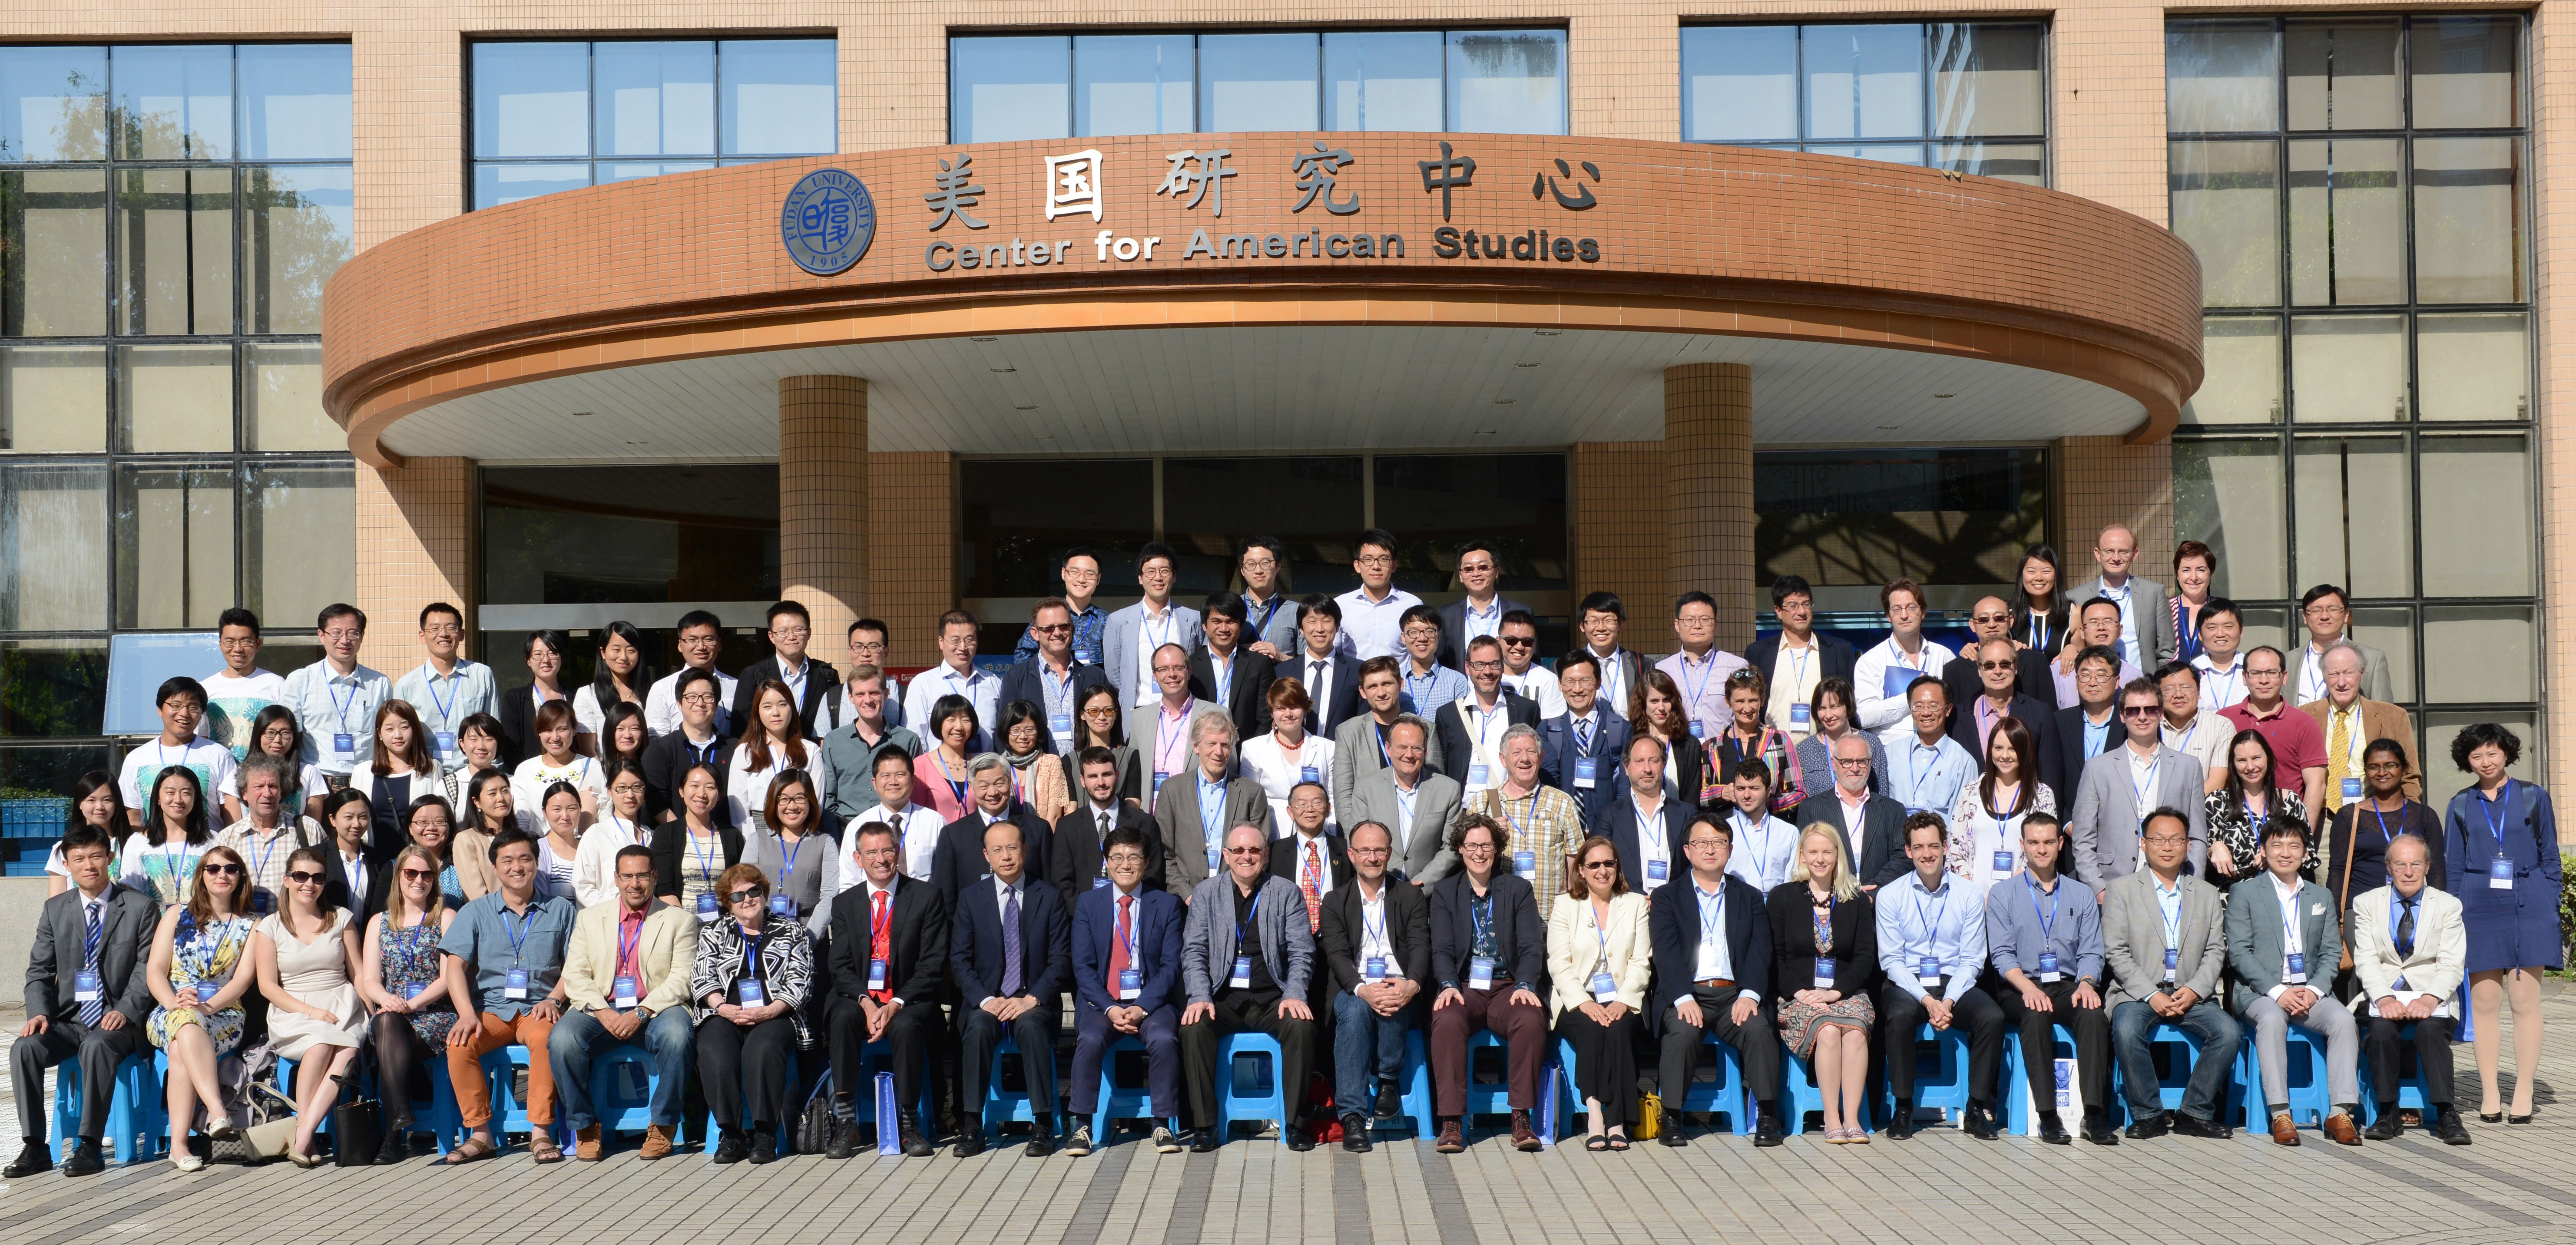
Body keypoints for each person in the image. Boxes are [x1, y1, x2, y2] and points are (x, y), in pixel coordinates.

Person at [6, 824, 157, 1179]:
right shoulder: (55, 909)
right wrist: (39, 1012)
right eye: (79, 859)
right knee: (24, 1048)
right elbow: (39, 970)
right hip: (70, 1020)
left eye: (96, 856)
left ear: (110, 858)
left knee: (97, 1045)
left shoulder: (140, 907)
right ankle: (35, 1146)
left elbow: (147, 969)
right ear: (67, 865)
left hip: (120, 1021)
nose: (89, 865)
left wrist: (125, 1010)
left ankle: (89, 1145)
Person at [2441, 723, 2560, 1123]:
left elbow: (2550, 854)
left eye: (2492, 752)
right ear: (2467, 761)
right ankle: (2490, 1092)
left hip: (2529, 902)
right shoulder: (2460, 803)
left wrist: (2549, 898)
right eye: (2476, 756)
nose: (2486, 761)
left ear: (2507, 753)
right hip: (2479, 906)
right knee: (2485, 1003)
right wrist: (2455, 914)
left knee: (2525, 1002)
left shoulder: (2533, 796)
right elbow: (2453, 866)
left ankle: (2524, 1089)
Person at [550, 841, 698, 1160]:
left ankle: (663, 1124)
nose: (635, 883)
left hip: (656, 1008)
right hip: (601, 1008)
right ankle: (585, 1126)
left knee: (678, 1035)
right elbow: (575, 974)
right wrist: (603, 1011)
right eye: (628, 876)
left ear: (655, 877)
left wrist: (642, 1012)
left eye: (643, 875)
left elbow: (682, 979)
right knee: (562, 1040)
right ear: (616, 879)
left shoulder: (679, 920)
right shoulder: (590, 918)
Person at [439, 829, 578, 1163]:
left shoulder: (561, 909)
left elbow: (576, 965)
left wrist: (554, 999)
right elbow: (454, 967)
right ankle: (481, 1134)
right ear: (495, 867)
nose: (517, 867)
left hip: (539, 1009)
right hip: (491, 1009)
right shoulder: (475, 911)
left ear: (537, 863)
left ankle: (541, 1132)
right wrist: (466, 1013)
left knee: (547, 1038)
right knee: (459, 1043)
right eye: (508, 860)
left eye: (525, 859)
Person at [1178, 822, 1319, 1151]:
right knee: (1193, 1027)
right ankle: (1205, 1125)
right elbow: (1194, 950)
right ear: (1226, 855)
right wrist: (1200, 996)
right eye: (1239, 850)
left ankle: (1296, 1123)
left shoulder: (1286, 892)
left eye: (1254, 850)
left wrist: (1295, 993)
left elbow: (1302, 951)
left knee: (1301, 1026)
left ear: (1265, 855)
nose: (1247, 856)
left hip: (1273, 999)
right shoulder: (1207, 893)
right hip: (1222, 998)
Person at [1648, 812, 1785, 1146]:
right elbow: (1665, 952)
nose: (1710, 849)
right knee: (1681, 1032)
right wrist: (1683, 997)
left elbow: (1761, 949)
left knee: (1758, 1028)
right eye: (1701, 842)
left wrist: (1750, 994)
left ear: (1730, 849)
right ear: (1687, 850)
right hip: (1688, 992)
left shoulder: (1749, 896)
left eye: (1719, 842)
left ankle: (1768, 1115)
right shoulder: (1667, 897)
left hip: (1734, 994)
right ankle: (1671, 1116)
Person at [2103, 808, 2239, 1140]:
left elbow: (2215, 950)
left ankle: (2194, 1111)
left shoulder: (2206, 892)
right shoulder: (2121, 890)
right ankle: (2148, 1113)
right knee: (2126, 1028)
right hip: (2138, 993)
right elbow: (2116, 951)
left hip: (2191, 993)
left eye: (2176, 840)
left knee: (2229, 1032)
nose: (2167, 847)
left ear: (2188, 845)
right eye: (2158, 839)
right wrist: (2151, 994)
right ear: (2143, 843)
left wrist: (2195, 990)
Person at [2226, 817, 2363, 1145]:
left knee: (2344, 1021)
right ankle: (2280, 1112)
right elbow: (2240, 953)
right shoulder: (2245, 892)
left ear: (2305, 852)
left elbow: (2332, 951)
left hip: (2309, 991)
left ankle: (2340, 1112)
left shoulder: (2321, 896)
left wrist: (2315, 990)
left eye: (2294, 846)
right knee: (2273, 1019)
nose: (2285, 853)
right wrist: (2278, 992)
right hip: (2261, 993)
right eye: (2277, 845)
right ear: (2263, 850)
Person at [1983, 811, 2117, 1145]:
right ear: (2023, 845)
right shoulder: (2003, 894)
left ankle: (2094, 1114)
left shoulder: (2081, 894)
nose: (2041, 849)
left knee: (2093, 1013)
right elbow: (2001, 954)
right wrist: (2028, 988)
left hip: (2068, 983)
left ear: (2060, 844)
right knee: (2035, 1014)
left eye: (2047, 842)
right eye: (2033, 842)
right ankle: (2048, 1116)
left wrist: (2087, 982)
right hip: (2020, 985)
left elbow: (2092, 951)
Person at [1874, 812, 2005, 1139]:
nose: (1927, 854)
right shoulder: (1890, 895)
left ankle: (1976, 1108)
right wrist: (1928, 1000)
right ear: (1908, 851)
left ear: (1946, 847)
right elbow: (1892, 961)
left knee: (1992, 1017)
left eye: (1934, 846)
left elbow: (1972, 960)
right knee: (1900, 1016)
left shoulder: (1969, 894)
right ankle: (1903, 1107)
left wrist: (1947, 1001)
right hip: (1908, 982)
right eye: (1919, 847)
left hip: (1954, 981)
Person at [823, 821, 949, 1159]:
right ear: (858, 858)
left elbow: (932, 963)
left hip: (909, 997)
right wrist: (867, 1003)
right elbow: (840, 965)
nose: (881, 859)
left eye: (888, 850)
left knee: (906, 1025)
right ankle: (846, 1122)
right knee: (842, 1017)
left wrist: (894, 1004)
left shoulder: (926, 896)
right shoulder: (845, 903)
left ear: (898, 852)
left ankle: (909, 1123)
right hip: (859, 997)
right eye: (872, 853)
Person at [1426, 812, 1548, 1153]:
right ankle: (1452, 1120)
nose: (1479, 852)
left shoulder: (1518, 889)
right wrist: (1448, 983)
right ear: (1460, 849)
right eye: (1472, 845)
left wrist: (1525, 984)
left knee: (1531, 1019)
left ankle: (1521, 1117)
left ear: (1497, 848)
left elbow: (1531, 945)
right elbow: (1441, 948)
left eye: (1486, 845)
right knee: (1447, 1019)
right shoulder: (1446, 892)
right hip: (1465, 986)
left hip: (1508, 985)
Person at [948, 817, 1069, 1157]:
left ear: (1025, 850)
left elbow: (1061, 959)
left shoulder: (1049, 896)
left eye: (1012, 847)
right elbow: (960, 960)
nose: (1006, 856)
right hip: (988, 999)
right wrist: (985, 999)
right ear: (986, 855)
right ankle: (972, 1124)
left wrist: (1032, 998)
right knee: (977, 1027)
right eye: (998, 849)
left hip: (1034, 999)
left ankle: (1043, 1123)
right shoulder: (971, 898)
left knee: (1031, 1026)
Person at [1063, 825, 1187, 1156]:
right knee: (1090, 1040)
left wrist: (1142, 1006)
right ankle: (1082, 1126)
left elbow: (1171, 966)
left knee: (1164, 1039)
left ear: (1146, 862)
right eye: (1117, 857)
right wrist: (1110, 1007)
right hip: (1102, 1002)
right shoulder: (1089, 903)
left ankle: (1162, 1123)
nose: (1126, 864)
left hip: (1151, 1002)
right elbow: (1083, 967)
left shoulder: (1166, 904)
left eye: (1134, 857)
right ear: (1107, 861)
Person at [2350, 834, 2472, 1144]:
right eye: (2400, 864)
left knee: (2431, 1032)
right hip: (2384, 993)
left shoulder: (2448, 905)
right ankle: (2387, 1111)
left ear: (2428, 866)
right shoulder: (2366, 903)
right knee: (2380, 1031)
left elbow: (2452, 962)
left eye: (2416, 864)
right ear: (2388, 867)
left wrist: (2431, 997)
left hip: (2432, 995)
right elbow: (2366, 958)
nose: (2408, 872)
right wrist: (2384, 997)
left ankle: (2446, 1113)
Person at [248, 845, 364, 1166]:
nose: (309, 884)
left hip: (341, 1003)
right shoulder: (269, 926)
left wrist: (373, 1010)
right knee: (320, 1044)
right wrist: (311, 1012)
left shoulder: (341, 918)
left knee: (349, 1049)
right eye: (301, 876)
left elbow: (359, 973)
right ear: (286, 880)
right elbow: (268, 986)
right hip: (293, 1009)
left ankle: (303, 1134)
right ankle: (306, 1136)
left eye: (318, 877)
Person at [144, 847, 257, 1172]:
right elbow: (155, 970)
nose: (222, 875)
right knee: (184, 1021)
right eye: (213, 869)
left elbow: (243, 980)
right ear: (201, 876)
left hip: (223, 1013)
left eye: (231, 869)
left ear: (240, 877)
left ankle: (179, 1146)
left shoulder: (252, 925)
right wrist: (171, 1002)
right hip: (172, 1007)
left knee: (179, 1049)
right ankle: (216, 1109)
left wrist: (207, 1007)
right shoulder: (176, 914)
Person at [1318, 819, 1427, 1151]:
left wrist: (1412, 984)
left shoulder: (1409, 895)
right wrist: (1362, 988)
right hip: (1354, 987)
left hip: (1401, 983)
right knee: (1354, 1011)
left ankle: (1389, 1080)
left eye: (1379, 850)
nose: (1372, 857)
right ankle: (1352, 1116)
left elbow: (1421, 945)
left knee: (1394, 994)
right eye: (1365, 850)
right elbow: (1336, 954)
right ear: (1351, 854)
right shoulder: (1334, 901)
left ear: (1389, 853)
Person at [692, 860, 810, 1162]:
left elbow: (801, 981)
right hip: (725, 1012)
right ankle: (730, 1134)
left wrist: (769, 1011)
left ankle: (765, 1133)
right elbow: (701, 978)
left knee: (763, 1048)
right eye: (738, 895)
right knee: (714, 1049)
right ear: (727, 903)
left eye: (754, 891)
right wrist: (722, 1007)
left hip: (776, 1012)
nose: (747, 899)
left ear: (764, 893)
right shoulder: (714, 931)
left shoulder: (792, 930)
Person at [1768, 825, 1878, 1143]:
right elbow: (1775, 957)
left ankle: (1852, 1118)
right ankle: (1831, 1117)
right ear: (1802, 855)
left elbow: (1864, 957)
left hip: (1846, 992)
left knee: (1855, 1032)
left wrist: (1836, 992)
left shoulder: (1856, 900)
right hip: (1798, 996)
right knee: (1828, 1030)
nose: (1820, 859)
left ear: (1837, 855)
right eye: (1813, 852)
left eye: (1827, 852)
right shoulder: (1782, 897)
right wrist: (1800, 992)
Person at [1547, 835, 1650, 1149]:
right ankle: (1595, 1114)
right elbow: (1559, 963)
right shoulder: (1565, 905)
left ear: (1617, 867)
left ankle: (1616, 1120)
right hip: (1576, 996)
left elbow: (1641, 961)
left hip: (1623, 996)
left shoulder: (1635, 904)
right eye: (1594, 865)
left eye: (1609, 863)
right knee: (1592, 1027)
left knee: (1618, 1029)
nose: (1602, 871)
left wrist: (1623, 1001)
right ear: (1580, 869)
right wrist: (1583, 1002)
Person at [356, 844, 456, 1163]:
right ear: (399, 876)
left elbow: (448, 978)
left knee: (388, 1034)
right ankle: (399, 1115)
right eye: (411, 873)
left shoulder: (446, 918)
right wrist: (387, 999)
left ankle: (392, 1134)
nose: (419, 880)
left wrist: (412, 1005)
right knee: (387, 1025)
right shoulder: (379, 922)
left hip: (435, 1011)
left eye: (427, 875)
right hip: (393, 1011)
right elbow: (369, 979)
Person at [2069, 679, 2210, 895]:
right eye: (2134, 710)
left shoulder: (2188, 767)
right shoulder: (2097, 768)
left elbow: (2198, 836)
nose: (2142, 717)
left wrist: (2193, 885)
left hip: (2174, 885)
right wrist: (2098, 889)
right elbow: (2083, 838)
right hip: (2114, 886)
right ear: (2122, 716)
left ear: (2161, 714)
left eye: (2150, 710)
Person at [2300, 641, 2421, 835]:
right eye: (2334, 674)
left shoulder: (2393, 716)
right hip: (2322, 822)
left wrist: (2410, 822)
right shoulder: (2304, 717)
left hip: (2377, 817)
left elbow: (2410, 776)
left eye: (2348, 673)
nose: (2341, 682)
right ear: (2324, 677)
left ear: (2362, 674)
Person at [1469, 726, 1586, 919]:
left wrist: (1572, 916)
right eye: (1516, 753)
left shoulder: (1562, 803)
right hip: (1498, 918)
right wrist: (1490, 838)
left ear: (1541, 757)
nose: (1525, 759)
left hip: (1551, 919)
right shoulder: (1483, 803)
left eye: (1531, 752)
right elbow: (1468, 861)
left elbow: (1574, 865)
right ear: (1503, 759)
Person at [1154, 711, 1271, 897]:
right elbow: (1163, 853)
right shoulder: (1172, 790)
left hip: (1236, 897)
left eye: (1225, 745)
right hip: (1184, 900)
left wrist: (1237, 895)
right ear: (1196, 747)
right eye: (1211, 744)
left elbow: (1260, 853)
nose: (1218, 752)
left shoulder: (1252, 793)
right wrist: (1187, 895)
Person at [2328, 740, 2447, 907]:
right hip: (2362, 909)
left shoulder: (2425, 816)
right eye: (2374, 767)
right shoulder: (2350, 815)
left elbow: (2437, 872)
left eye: (2390, 765)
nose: (2382, 772)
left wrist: (2437, 910)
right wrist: (2335, 915)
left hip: (2413, 907)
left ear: (2405, 769)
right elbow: (2337, 870)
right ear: (2366, 772)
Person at [282, 604, 391, 786]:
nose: (345, 640)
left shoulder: (379, 684)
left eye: (353, 633)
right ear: (321, 635)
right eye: (336, 633)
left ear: (362, 636)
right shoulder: (300, 681)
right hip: (316, 784)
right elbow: (291, 738)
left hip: (366, 782)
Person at [1345, 714, 1462, 884]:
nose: (1409, 755)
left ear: (1425, 751)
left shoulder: (1448, 790)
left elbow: (1451, 847)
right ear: (1388, 749)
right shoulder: (1366, 787)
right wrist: (1385, 885)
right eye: (1402, 748)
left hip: (1427, 890)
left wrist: (1419, 885)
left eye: (1416, 748)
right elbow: (1356, 842)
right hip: (1381, 887)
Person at [1745, 575, 1858, 746]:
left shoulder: (1839, 651)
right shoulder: (1758, 653)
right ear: (1778, 611)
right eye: (1793, 606)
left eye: (1806, 604)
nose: (1802, 612)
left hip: (1825, 747)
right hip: (1772, 747)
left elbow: (1849, 705)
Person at [932, 753, 1057, 908]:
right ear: (971, 786)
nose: (993, 793)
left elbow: (1050, 886)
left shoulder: (1038, 829)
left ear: (1009, 781)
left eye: (999, 783)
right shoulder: (953, 835)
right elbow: (946, 896)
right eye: (984, 786)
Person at [1946, 637, 2064, 796]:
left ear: (2015, 668)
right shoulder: (1958, 717)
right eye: (1989, 665)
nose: (1998, 671)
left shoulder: (2040, 714)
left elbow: (2051, 776)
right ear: (1980, 670)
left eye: (2005, 664)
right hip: (1973, 807)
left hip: (2026, 806)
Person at [1331, 656, 1447, 819]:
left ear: (1400, 684)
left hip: (1415, 822)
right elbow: (1344, 796)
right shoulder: (1348, 733)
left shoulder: (1426, 728)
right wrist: (1354, 832)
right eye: (1373, 687)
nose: (1381, 693)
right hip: (1368, 826)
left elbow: (1437, 785)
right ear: (1363, 692)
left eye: (1387, 684)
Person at [1947, 717, 2057, 885]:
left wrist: (2005, 893)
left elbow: (2044, 850)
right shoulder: (1971, 792)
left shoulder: (2042, 795)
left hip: (2022, 893)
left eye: (2013, 749)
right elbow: (1956, 849)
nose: (2005, 756)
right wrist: (1971, 893)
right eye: (1999, 748)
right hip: (1974, 895)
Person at [1051, 746, 1168, 903]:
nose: (1101, 783)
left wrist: (1126, 908)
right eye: (1093, 776)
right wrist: (1086, 912)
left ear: (1117, 775)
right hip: (1083, 914)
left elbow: (1154, 876)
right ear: (1083, 781)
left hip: (1132, 912)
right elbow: (1062, 882)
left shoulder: (1145, 823)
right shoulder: (1067, 827)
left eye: (1106, 775)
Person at [118, 676, 236, 827]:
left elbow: (232, 815)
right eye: (176, 705)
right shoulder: (137, 758)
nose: (184, 713)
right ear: (160, 709)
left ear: (201, 714)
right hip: (153, 841)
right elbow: (132, 817)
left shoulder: (219, 755)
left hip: (209, 841)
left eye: (193, 707)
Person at [1795, 732, 1907, 891]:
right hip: (1832, 899)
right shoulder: (1811, 808)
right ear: (1834, 764)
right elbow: (1807, 858)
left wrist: (1873, 892)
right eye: (1847, 762)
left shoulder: (1893, 810)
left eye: (1862, 761)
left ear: (1870, 763)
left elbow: (1902, 857)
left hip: (1878, 899)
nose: (1855, 769)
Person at [998, 597, 1108, 758]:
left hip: (1085, 768)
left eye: (1064, 626)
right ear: (1035, 633)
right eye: (1049, 628)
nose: (1058, 633)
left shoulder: (1095, 677)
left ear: (1071, 628)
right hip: (1036, 769)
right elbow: (1003, 734)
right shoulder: (1016, 678)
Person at [394, 602, 496, 773]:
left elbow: (494, 727)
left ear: (462, 634)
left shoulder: (482, 675)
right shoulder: (407, 685)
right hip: (426, 773)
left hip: (473, 772)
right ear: (422, 636)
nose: (443, 634)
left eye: (451, 628)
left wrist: (493, 771)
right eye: (435, 628)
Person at [218, 753, 325, 913]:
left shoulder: (308, 830)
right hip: (244, 925)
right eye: (259, 787)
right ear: (244, 793)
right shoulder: (228, 838)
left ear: (282, 792)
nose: (267, 794)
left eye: (273, 786)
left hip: (293, 926)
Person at [2204, 730, 2314, 884]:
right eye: (2242, 760)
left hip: (2280, 889)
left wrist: (2277, 858)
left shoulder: (2290, 802)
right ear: (2233, 764)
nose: (2250, 767)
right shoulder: (2217, 802)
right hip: (2232, 892)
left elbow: (2309, 858)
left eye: (2256, 758)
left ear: (2268, 758)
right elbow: (2197, 855)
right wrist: (2214, 848)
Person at [1437, 636, 1539, 798]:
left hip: (1513, 806)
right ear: (1468, 668)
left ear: (1503, 666)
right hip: (1464, 809)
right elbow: (1442, 771)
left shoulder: (1527, 709)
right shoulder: (1448, 715)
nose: (1488, 672)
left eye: (1494, 664)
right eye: (1479, 664)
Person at [1105, 545, 1205, 710]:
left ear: (1174, 576)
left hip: (1183, 710)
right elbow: (1114, 674)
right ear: (1140, 578)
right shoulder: (1118, 621)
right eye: (1150, 572)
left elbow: (1199, 665)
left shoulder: (1193, 619)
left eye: (1165, 571)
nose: (1158, 578)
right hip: (1138, 710)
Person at [728, 678, 834, 833]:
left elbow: (816, 801)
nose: (776, 713)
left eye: (783, 705)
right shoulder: (745, 752)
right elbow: (738, 806)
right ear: (757, 711)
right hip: (758, 829)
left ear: (792, 708)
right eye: (767, 706)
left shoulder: (811, 751)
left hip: (800, 828)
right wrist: (751, 840)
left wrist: (803, 835)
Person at [820, 665, 924, 823]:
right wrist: (835, 833)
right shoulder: (834, 742)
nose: (868, 700)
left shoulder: (908, 740)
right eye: (860, 694)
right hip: (846, 826)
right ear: (851, 697)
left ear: (886, 694)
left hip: (894, 827)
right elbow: (829, 796)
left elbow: (916, 792)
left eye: (874, 693)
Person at [1127, 646, 1223, 813]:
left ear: (1189, 671)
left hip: (1198, 814)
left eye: (1178, 668)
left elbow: (1228, 772)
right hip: (1151, 816)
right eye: (1163, 669)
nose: (1172, 674)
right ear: (1155, 675)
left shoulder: (1217, 714)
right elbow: (1134, 776)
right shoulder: (1139, 718)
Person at [744, 770, 840, 936]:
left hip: (809, 936)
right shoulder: (757, 840)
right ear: (774, 802)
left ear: (810, 801)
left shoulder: (826, 843)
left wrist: (807, 939)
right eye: (784, 799)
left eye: (800, 798)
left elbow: (830, 896)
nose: (792, 806)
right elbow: (745, 889)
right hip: (763, 936)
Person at [1538, 653, 1627, 828]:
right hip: (1563, 829)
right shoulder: (1548, 730)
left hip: (1607, 828)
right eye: (1570, 682)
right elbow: (1549, 784)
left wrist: (1617, 826)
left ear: (1598, 683)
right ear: (1560, 685)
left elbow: (1625, 786)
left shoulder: (1620, 728)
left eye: (1585, 681)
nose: (1578, 689)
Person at [1854, 580, 1954, 732]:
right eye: (1897, 609)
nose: (1904, 615)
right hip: (1889, 746)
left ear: (1923, 612)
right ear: (1889, 616)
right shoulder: (1871, 660)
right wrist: (1910, 697)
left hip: (1937, 744)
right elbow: (1864, 717)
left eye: (1911, 608)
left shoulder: (1944, 656)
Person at [2069, 525, 2172, 670]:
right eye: (2109, 551)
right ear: (2098, 554)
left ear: (2135, 555)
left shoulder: (2153, 593)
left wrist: (2156, 680)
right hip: (2095, 680)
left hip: (2143, 680)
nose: (2116, 558)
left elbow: (2167, 651)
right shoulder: (2076, 598)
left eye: (2123, 552)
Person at [730, 600, 837, 740]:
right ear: (771, 637)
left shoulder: (826, 675)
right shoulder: (753, 676)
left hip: (814, 753)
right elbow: (741, 729)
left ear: (809, 633)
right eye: (783, 632)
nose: (791, 637)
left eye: (798, 630)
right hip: (766, 752)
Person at [840, 750, 947, 888]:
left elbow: (944, 878)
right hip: (873, 901)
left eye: (900, 775)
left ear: (913, 780)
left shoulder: (935, 822)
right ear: (874, 783)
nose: (893, 782)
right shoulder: (857, 826)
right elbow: (848, 883)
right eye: (886, 776)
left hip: (923, 900)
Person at [1597, 732, 1689, 892]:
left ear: (1663, 766)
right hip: (1626, 903)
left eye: (1654, 761)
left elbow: (1694, 866)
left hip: (1673, 904)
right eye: (1639, 761)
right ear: (1626, 768)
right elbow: (1599, 866)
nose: (1647, 769)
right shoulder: (1609, 816)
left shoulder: (1686, 813)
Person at [1241, 679, 1338, 830]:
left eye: (1294, 707)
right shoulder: (1253, 749)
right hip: (1273, 834)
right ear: (1272, 713)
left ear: (1304, 709)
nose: (1288, 714)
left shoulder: (1327, 748)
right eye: (1281, 708)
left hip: (1317, 833)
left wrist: (1332, 833)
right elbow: (1249, 800)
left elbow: (1331, 798)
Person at [348, 701, 442, 852]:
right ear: (380, 733)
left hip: (418, 858)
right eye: (390, 729)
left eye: (404, 727)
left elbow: (439, 818)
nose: (398, 735)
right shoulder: (363, 772)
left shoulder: (432, 769)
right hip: (375, 858)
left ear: (415, 730)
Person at [654, 763, 742, 922]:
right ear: (681, 791)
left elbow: (738, 887)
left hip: (724, 926)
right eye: (694, 786)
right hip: (680, 925)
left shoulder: (732, 835)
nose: (701, 794)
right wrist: (686, 926)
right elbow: (665, 889)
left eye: (710, 788)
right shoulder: (666, 834)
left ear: (719, 795)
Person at [117, 765, 214, 908]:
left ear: (196, 798)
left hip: (202, 920)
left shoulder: (213, 841)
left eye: (186, 793)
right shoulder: (138, 842)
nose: (178, 799)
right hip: (151, 921)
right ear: (158, 797)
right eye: (170, 792)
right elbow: (132, 895)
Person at [1882, 677, 1977, 821]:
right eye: (1919, 706)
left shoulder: (1963, 762)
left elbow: (1962, 820)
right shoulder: (1891, 753)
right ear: (1910, 709)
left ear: (1948, 709)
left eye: (1933, 706)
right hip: (1897, 835)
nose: (1926, 713)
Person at [1660, 590, 1752, 739]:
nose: (1697, 626)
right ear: (1677, 625)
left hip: (1723, 750)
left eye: (1705, 620)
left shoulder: (1737, 667)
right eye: (1689, 620)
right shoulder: (1663, 670)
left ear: (1715, 624)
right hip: (1677, 749)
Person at [216, 705, 327, 828]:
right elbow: (233, 830)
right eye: (270, 733)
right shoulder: (236, 775)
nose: (278, 740)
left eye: (285, 733)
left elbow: (313, 828)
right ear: (259, 734)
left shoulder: (309, 774)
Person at [1941, 595, 2054, 714]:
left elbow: (2050, 713)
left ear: (2010, 621)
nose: (1992, 624)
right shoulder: (1954, 670)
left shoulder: (2036, 662)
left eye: (1999, 618)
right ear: (1973, 625)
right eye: (1984, 619)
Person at [201, 608, 287, 761]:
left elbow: (288, 734)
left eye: (246, 641)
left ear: (258, 644)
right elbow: (201, 737)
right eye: (230, 642)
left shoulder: (277, 684)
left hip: (265, 771)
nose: (238, 649)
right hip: (220, 771)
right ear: (220, 644)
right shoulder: (206, 688)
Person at [2288, 585, 2394, 707]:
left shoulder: (2372, 659)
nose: (2325, 616)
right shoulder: (2289, 661)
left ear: (2346, 615)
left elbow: (2384, 711)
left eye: (2333, 609)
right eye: (2316, 610)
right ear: (2305, 617)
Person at [1709, 668, 1798, 811]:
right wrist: (1721, 793)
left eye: (1753, 701)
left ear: (1763, 700)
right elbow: (1697, 796)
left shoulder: (1780, 740)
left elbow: (1799, 793)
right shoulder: (1713, 747)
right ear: (1728, 702)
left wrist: (1767, 802)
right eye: (1740, 701)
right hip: (1725, 824)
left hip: (1768, 822)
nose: (1747, 708)